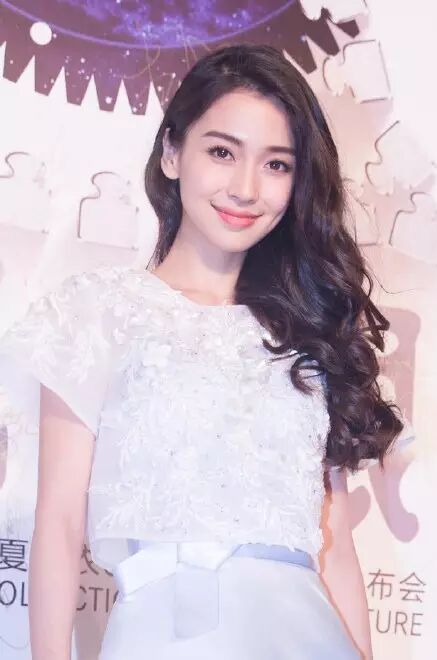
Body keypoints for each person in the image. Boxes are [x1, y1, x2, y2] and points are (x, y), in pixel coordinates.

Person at [0, 44, 415, 660]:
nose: (245, 188)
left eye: (277, 165)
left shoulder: (309, 335)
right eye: (222, 152)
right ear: (172, 152)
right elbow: (58, 526)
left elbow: (335, 555)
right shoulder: (95, 313)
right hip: (160, 638)